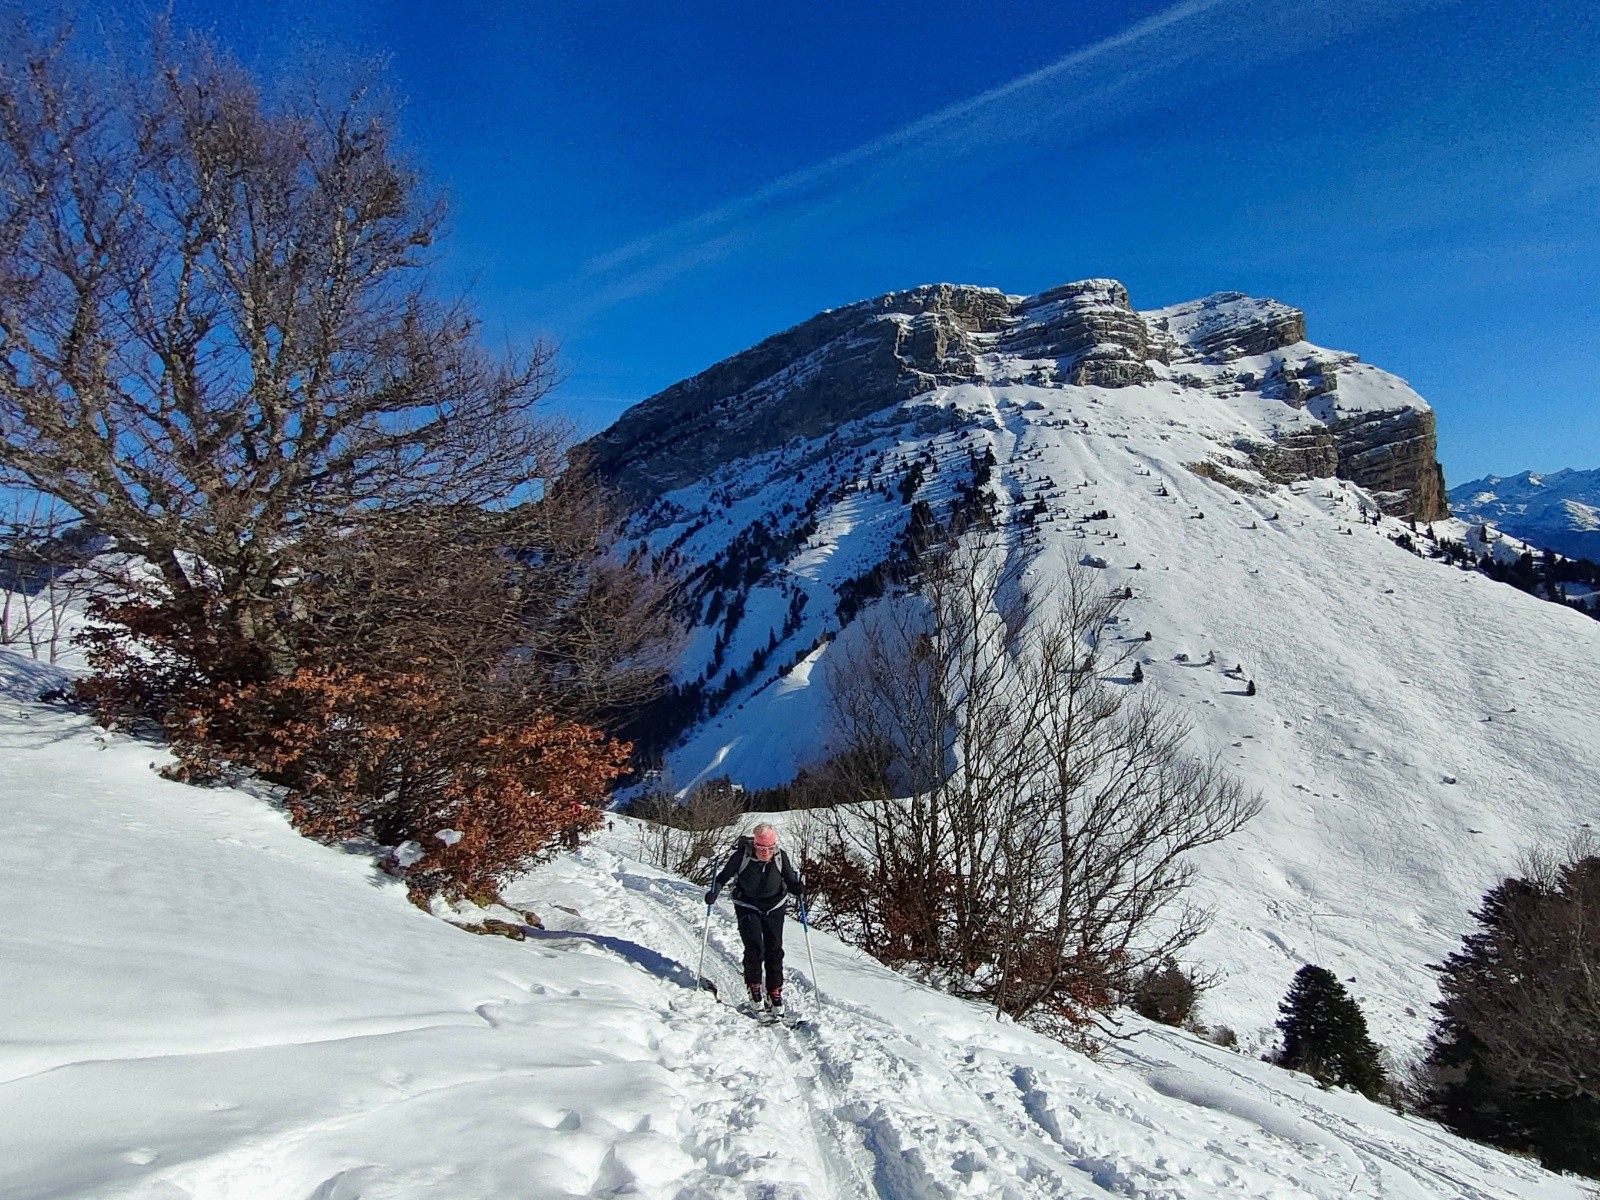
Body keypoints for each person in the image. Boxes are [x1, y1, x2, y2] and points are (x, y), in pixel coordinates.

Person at [706, 823, 804, 1015]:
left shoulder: (779, 856)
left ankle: (774, 992)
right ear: (755, 845)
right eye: (761, 848)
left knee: (774, 949)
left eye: (769, 848)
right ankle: (755, 988)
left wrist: (797, 888)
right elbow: (722, 877)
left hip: (775, 905)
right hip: (747, 905)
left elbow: (791, 879)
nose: (765, 852)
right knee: (754, 948)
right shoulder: (742, 855)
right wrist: (713, 893)